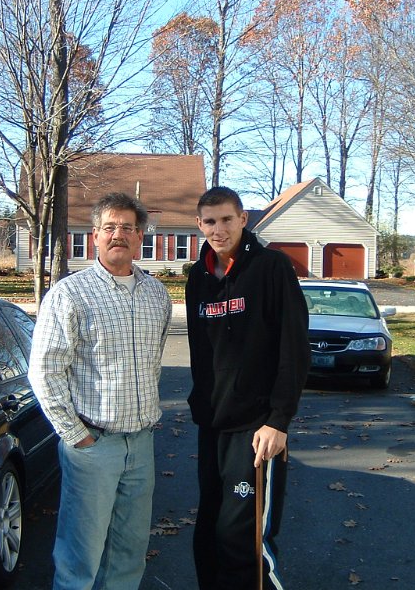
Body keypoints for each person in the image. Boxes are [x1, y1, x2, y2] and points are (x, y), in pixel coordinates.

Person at [29, 192, 172, 590]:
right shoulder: (69, 295)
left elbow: (153, 362)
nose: (118, 235)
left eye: (127, 227)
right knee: (80, 558)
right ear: (94, 235)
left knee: (128, 554)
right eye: (109, 227)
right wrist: (76, 435)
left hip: (140, 444)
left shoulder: (156, 294)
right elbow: (44, 371)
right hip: (93, 446)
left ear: (140, 235)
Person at [185, 186, 311, 590]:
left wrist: (278, 420)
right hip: (212, 425)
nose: (218, 229)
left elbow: (294, 347)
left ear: (243, 219)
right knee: (209, 534)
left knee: (244, 541)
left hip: (257, 428)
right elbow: (199, 353)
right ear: (199, 224)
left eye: (227, 219)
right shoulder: (198, 277)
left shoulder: (272, 268)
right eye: (210, 221)